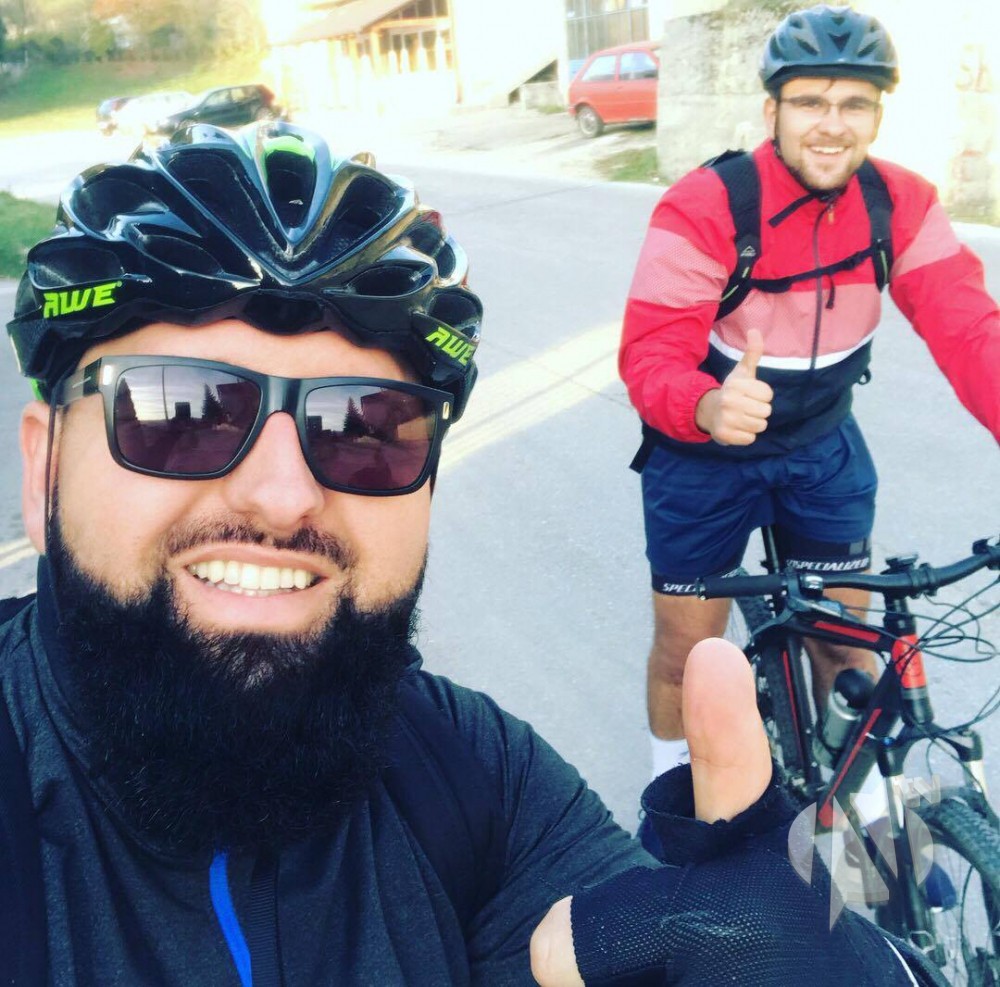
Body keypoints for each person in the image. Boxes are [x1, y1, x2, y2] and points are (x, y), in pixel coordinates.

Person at [0, 121, 937, 985]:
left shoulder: (475, 780)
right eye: (177, 411)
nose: (282, 495)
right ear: (43, 470)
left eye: (366, 428)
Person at [619, 4, 1000, 790]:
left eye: (854, 103)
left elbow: (971, 330)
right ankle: (667, 804)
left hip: (821, 447)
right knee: (690, 654)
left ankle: (855, 806)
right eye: (810, 101)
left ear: (877, 116)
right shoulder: (707, 204)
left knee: (844, 642)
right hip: (703, 453)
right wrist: (705, 407)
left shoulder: (899, 202)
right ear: (773, 112)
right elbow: (650, 353)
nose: (832, 124)